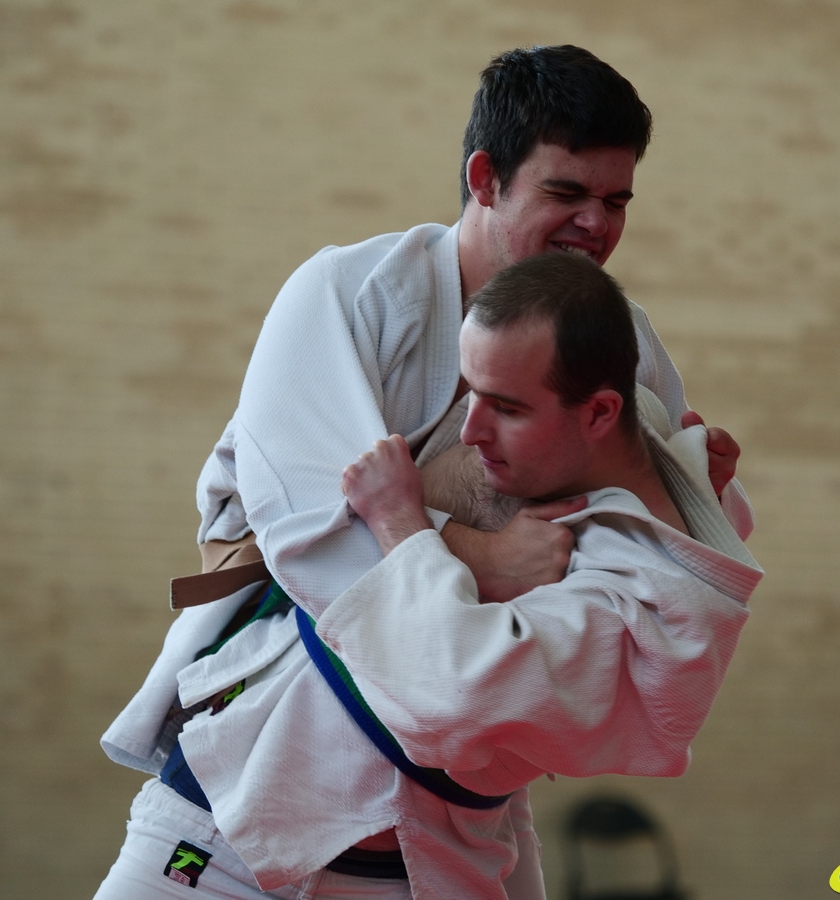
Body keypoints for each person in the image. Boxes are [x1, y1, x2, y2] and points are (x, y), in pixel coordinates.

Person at [96, 45, 754, 898]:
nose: (597, 223)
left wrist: (696, 489)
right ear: (486, 177)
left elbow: (631, 585)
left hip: (447, 838)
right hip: (242, 805)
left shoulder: (617, 345)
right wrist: (478, 558)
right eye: (567, 193)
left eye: (615, 200)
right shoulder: (349, 294)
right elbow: (312, 541)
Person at [321, 253, 761, 810]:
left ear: (601, 413)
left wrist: (398, 521)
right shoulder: (637, 423)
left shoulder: (637, 611)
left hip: (373, 814)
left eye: (505, 408)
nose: (473, 428)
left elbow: (454, 690)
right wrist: (703, 483)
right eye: (470, 393)